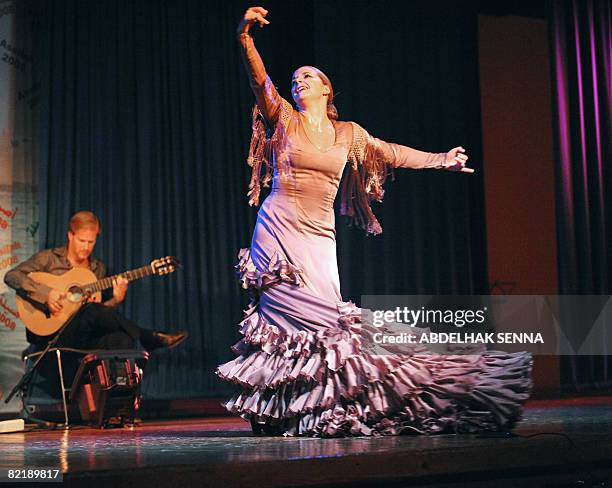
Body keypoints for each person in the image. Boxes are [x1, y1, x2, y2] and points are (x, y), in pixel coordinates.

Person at [216, 7, 532, 437]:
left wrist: (442, 161)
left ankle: (348, 397)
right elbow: (259, 82)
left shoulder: (349, 133)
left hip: (318, 237)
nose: (299, 80)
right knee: (285, 319)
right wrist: (245, 40)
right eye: (295, 78)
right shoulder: (283, 120)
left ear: (326, 89)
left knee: (329, 324)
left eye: (309, 75)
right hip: (277, 231)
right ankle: (289, 408)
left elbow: (392, 152)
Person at [4, 210, 188, 353]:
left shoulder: (97, 268)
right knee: (89, 310)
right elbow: (11, 276)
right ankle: (149, 337)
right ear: (70, 235)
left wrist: (116, 300)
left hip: (83, 338)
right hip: (53, 337)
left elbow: (99, 316)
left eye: (91, 242)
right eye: (82, 240)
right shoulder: (49, 259)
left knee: (122, 338)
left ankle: (115, 397)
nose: (86, 247)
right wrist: (47, 294)